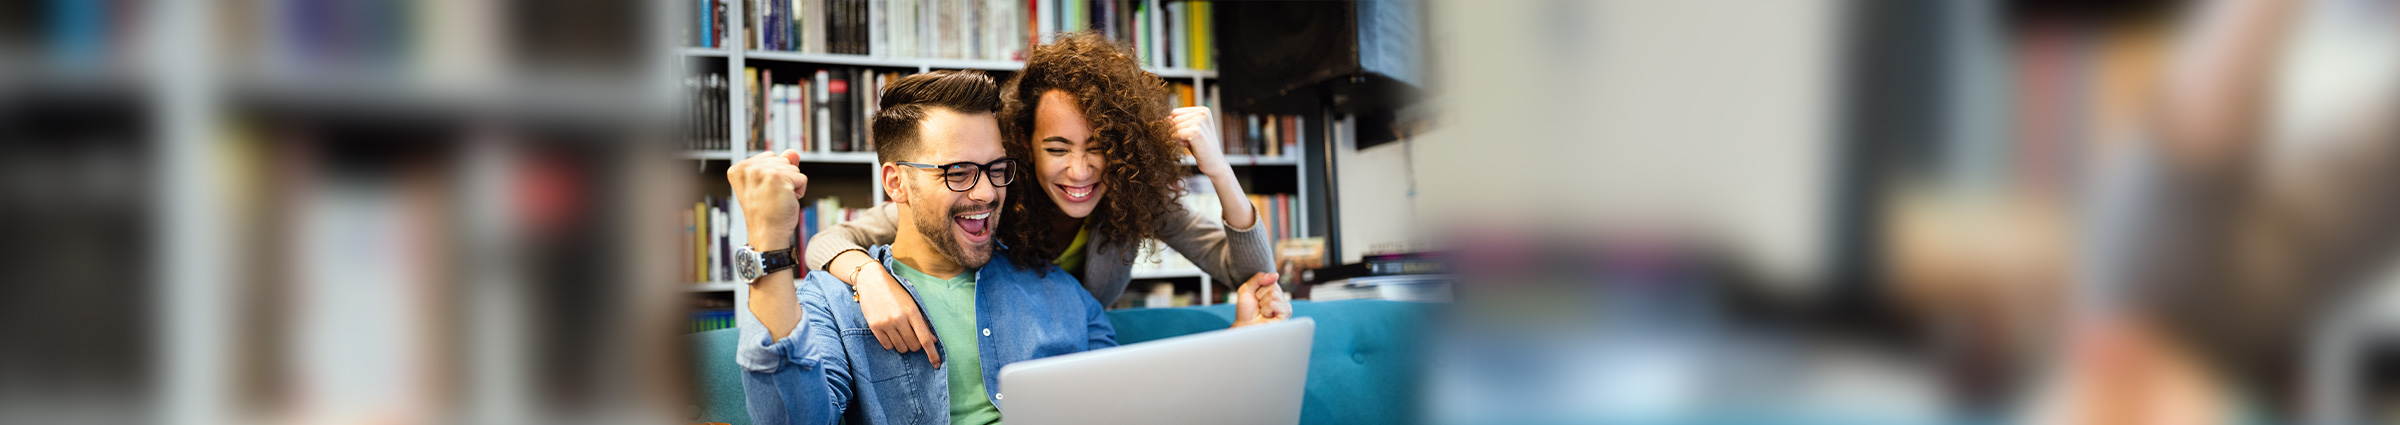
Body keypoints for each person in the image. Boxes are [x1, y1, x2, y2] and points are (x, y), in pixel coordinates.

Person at [730, 70, 1290, 425]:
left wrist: (1239, 346)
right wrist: (779, 253)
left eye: (996, 170)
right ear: (897, 183)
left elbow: (1129, 406)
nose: (985, 192)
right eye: (957, 172)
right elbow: (794, 417)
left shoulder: (1066, 294)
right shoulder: (832, 302)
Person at [803, 33, 1287, 358]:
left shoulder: (1127, 192)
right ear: (1024, 145)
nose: (1079, 170)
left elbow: (1251, 271)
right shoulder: (987, 193)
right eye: (1057, 148)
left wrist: (1219, 170)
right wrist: (867, 275)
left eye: (1098, 148)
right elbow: (830, 240)